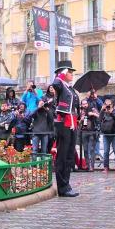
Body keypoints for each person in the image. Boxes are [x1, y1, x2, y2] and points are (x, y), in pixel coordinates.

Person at [51, 60, 81, 197]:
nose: (72, 75)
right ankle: (62, 188)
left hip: (73, 122)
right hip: (63, 123)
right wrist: (60, 75)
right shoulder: (60, 84)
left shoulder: (70, 88)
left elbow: (75, 105)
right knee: (62, 156)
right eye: (69, 72)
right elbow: (55, 84)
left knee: (69, 156)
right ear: (63, 73)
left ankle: (67, 185)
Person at [100, 99, 115, 173]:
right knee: (106, 152)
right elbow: (99, 120)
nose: (108, 105)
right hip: (106, 134)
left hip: (114, 134)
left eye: (109, 104)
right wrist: (101, 110)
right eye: (106, 104)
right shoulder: (103, 111)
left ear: (112, 104)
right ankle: (106, 167)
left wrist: (111, 112)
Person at [80, 99, 99, 171]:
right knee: (85, 149)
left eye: (86, 104)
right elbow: (78, 121)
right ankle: (88, 165)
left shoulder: (93, 109)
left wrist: (93, 114)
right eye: (83, 104)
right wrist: (81, 119)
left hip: (92, 131)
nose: (85, 105)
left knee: (91, 149)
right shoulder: (81, 111)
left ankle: (92, 166)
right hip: (84, 131)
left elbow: (99, 116)